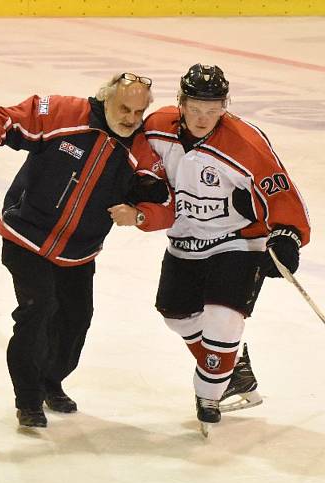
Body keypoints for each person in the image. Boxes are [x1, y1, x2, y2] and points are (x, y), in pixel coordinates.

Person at [0, 73, 168, 428]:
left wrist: (142, 211)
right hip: (26, 236)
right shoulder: (64, 112)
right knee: (38, 308)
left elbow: (162, 195)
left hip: (79, 252)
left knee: (75, 320)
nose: (131, 119)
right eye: (124, 109)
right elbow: (5, 117)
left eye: (138, 112)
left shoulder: (141, 147)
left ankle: (50, 382)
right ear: (106, 99)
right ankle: (28, 399)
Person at [109, 64, 311, 436]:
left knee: (223, 317)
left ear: (225, 106)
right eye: (196, 108)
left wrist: (287, 236)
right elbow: (141, 157)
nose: (204, 117)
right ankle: (234, 373)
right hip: (185, 240)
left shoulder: (245, 142)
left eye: (213, 108)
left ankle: (209, 395)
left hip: (240, 240)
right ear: (181, 103)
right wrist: (145, 185)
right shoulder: (157, 126)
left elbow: (280, 191)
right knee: (176, 315)